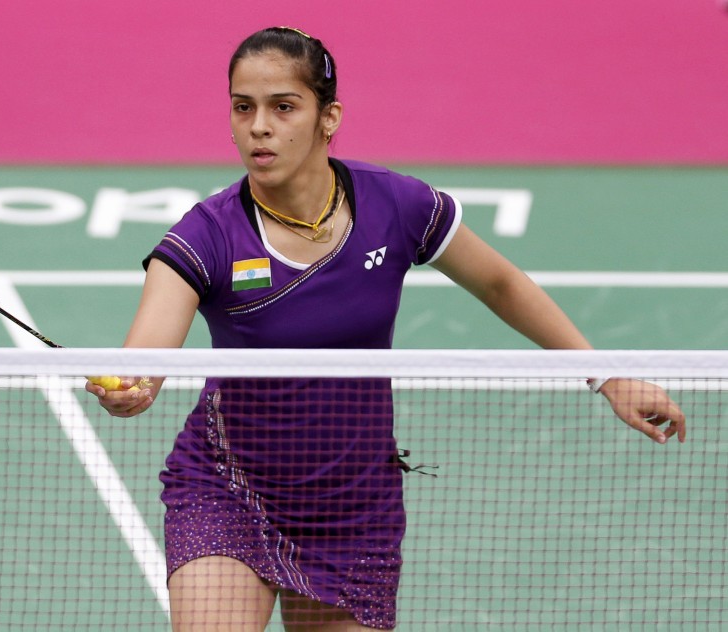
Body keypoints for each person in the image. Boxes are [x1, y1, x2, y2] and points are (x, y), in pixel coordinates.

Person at [85, 26, 687, 632]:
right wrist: (132, 387)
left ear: (328, 118)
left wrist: (608, 375)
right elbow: (146, 358)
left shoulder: (394, 205)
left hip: (352, 507)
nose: (259, 127)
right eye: (244, 108)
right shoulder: (208, 234)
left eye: (283, 107)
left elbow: (501, 284)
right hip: (230, 489)